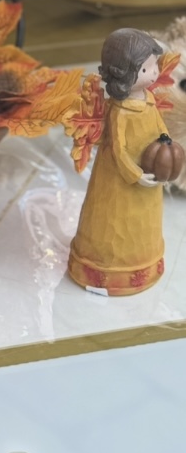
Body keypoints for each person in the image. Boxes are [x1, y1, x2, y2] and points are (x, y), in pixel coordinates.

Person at [68, 28, 168, 295]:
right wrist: (135, 174)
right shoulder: (120, 112)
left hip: (150, 175)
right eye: (146, 70)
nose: (155, 74)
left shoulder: (149, 101)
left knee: (142, 222)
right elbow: (118, 151)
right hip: (119, 181)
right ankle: (103, 272)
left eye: (155, 67)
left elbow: (161, 130)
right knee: (114, 222)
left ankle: (143, 264)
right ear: (123, 73)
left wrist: (168, 150)